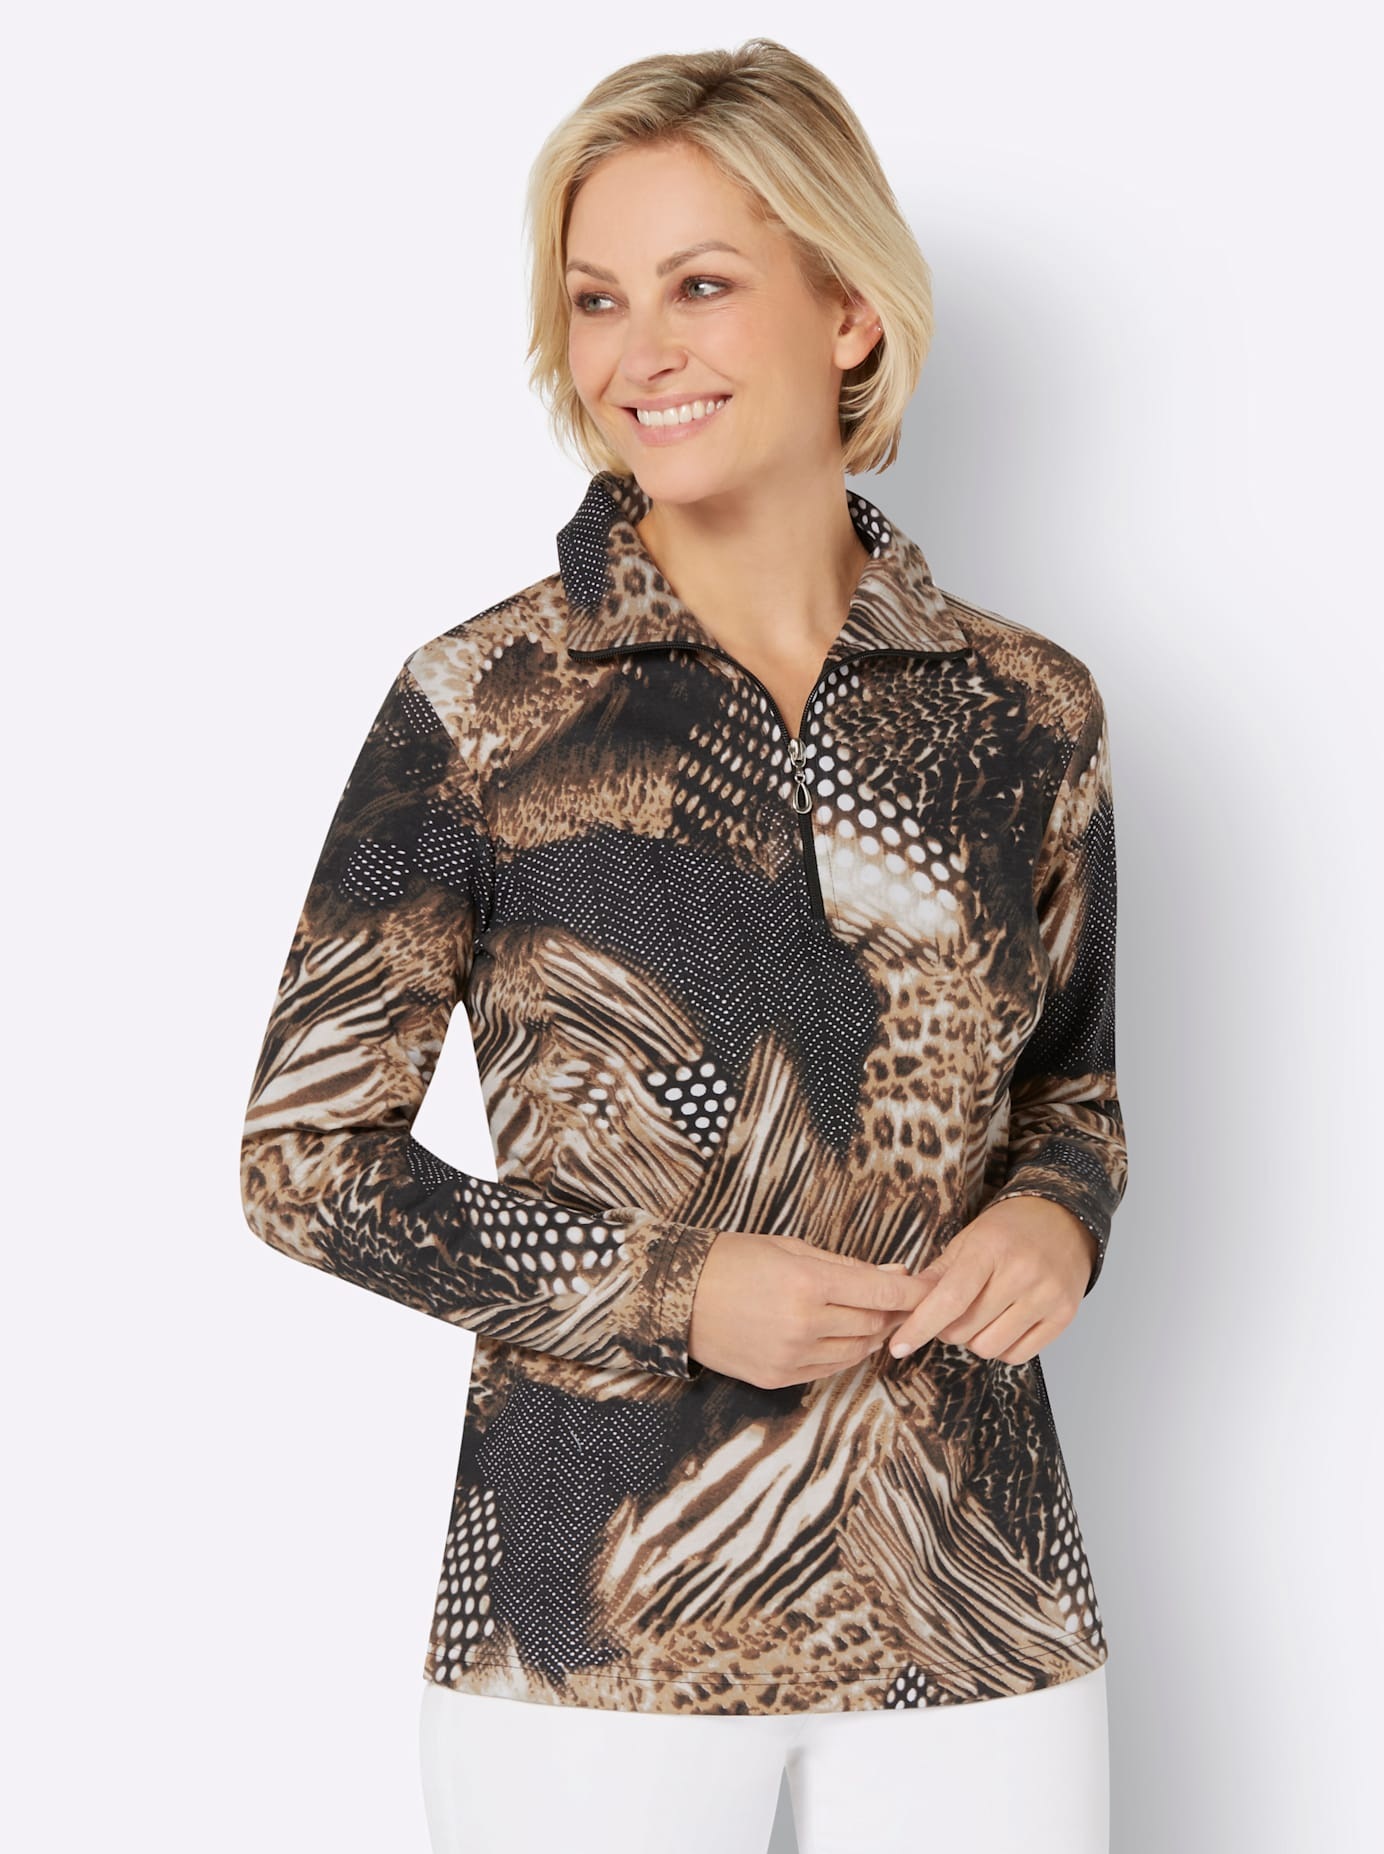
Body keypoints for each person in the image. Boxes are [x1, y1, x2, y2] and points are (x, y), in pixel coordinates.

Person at [239, 35, 1126, 1854]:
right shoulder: (482, 703)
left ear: (850, 313)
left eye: (702, 285)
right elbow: (302, 1161)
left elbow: (1075, 1099)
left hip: (982, 1607)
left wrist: (1059, 1217)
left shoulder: (1027, 707)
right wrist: (673, 1288)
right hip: (592, 1631)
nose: (638, 351)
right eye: (597, 299)